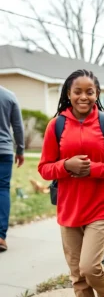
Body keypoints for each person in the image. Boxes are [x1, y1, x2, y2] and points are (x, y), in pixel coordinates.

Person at [38, 69, 104, 297]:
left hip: (100, 207)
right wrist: (66, 166)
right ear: (69, 93)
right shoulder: (56, 125)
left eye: (90, 92)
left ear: (97, 94)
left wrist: (90, 170)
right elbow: (44, 168)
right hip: (69, 210)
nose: (83, 97)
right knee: (77, 276)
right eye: (78, 91)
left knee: (90, 267)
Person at [0, 86, 25, 252]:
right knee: (2, 189)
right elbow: (18, 126)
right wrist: (20, 150)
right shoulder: (9, 95)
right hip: (4, 151)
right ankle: (1, 237)